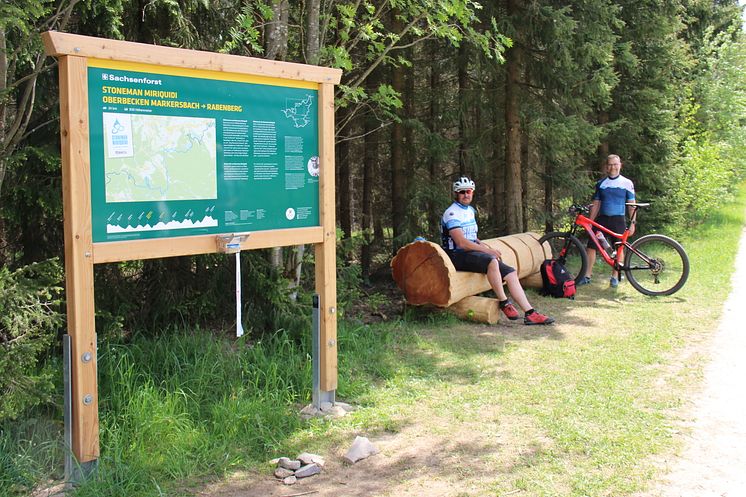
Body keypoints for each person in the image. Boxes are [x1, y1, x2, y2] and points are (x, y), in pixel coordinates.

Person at [441, 176, 555, 325]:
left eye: (468, 191)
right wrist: (486, 251)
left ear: (473, 192)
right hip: (455, 255)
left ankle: (530, 313)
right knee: (492, 261)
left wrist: (480, 243)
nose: (466, 194)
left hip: (470, 253)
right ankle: (504, 302)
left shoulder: (469, 210)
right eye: (462, 192)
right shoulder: (452, 213)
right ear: (456, 194)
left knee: (511, 272)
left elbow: (471, 237)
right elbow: (461, 243)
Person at [578, 154, 636, 288]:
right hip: (602, 219)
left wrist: (632, 223)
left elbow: (632, 205)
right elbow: (596, 204)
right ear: (606, 167)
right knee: (591, 247)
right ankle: (587, 275)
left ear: (620, 165)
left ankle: (615, 277)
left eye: (616, 164)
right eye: (610, 164)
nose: (613, 167)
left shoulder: (627, 183)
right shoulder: (601, 184)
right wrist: (590, 223)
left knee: (619, 249)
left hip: (618, 220)